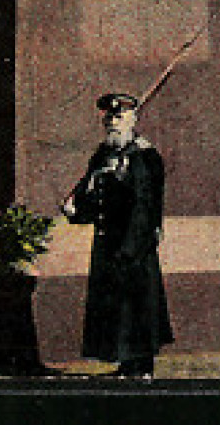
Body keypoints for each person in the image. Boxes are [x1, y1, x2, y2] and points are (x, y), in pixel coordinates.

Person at [60, 92, 174, 379]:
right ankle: (126, 366)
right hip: (107, 242)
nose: (113, 121)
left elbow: (144, 208)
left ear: (133, 119)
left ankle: (141, 368)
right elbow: (92, 196)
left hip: (134, 245)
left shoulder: (144, 156)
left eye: (120, 117)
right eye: (109, 117)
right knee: (116, 308)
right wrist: (75, 210)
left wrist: (129, 250)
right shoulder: (102, 156)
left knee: (136, 304)